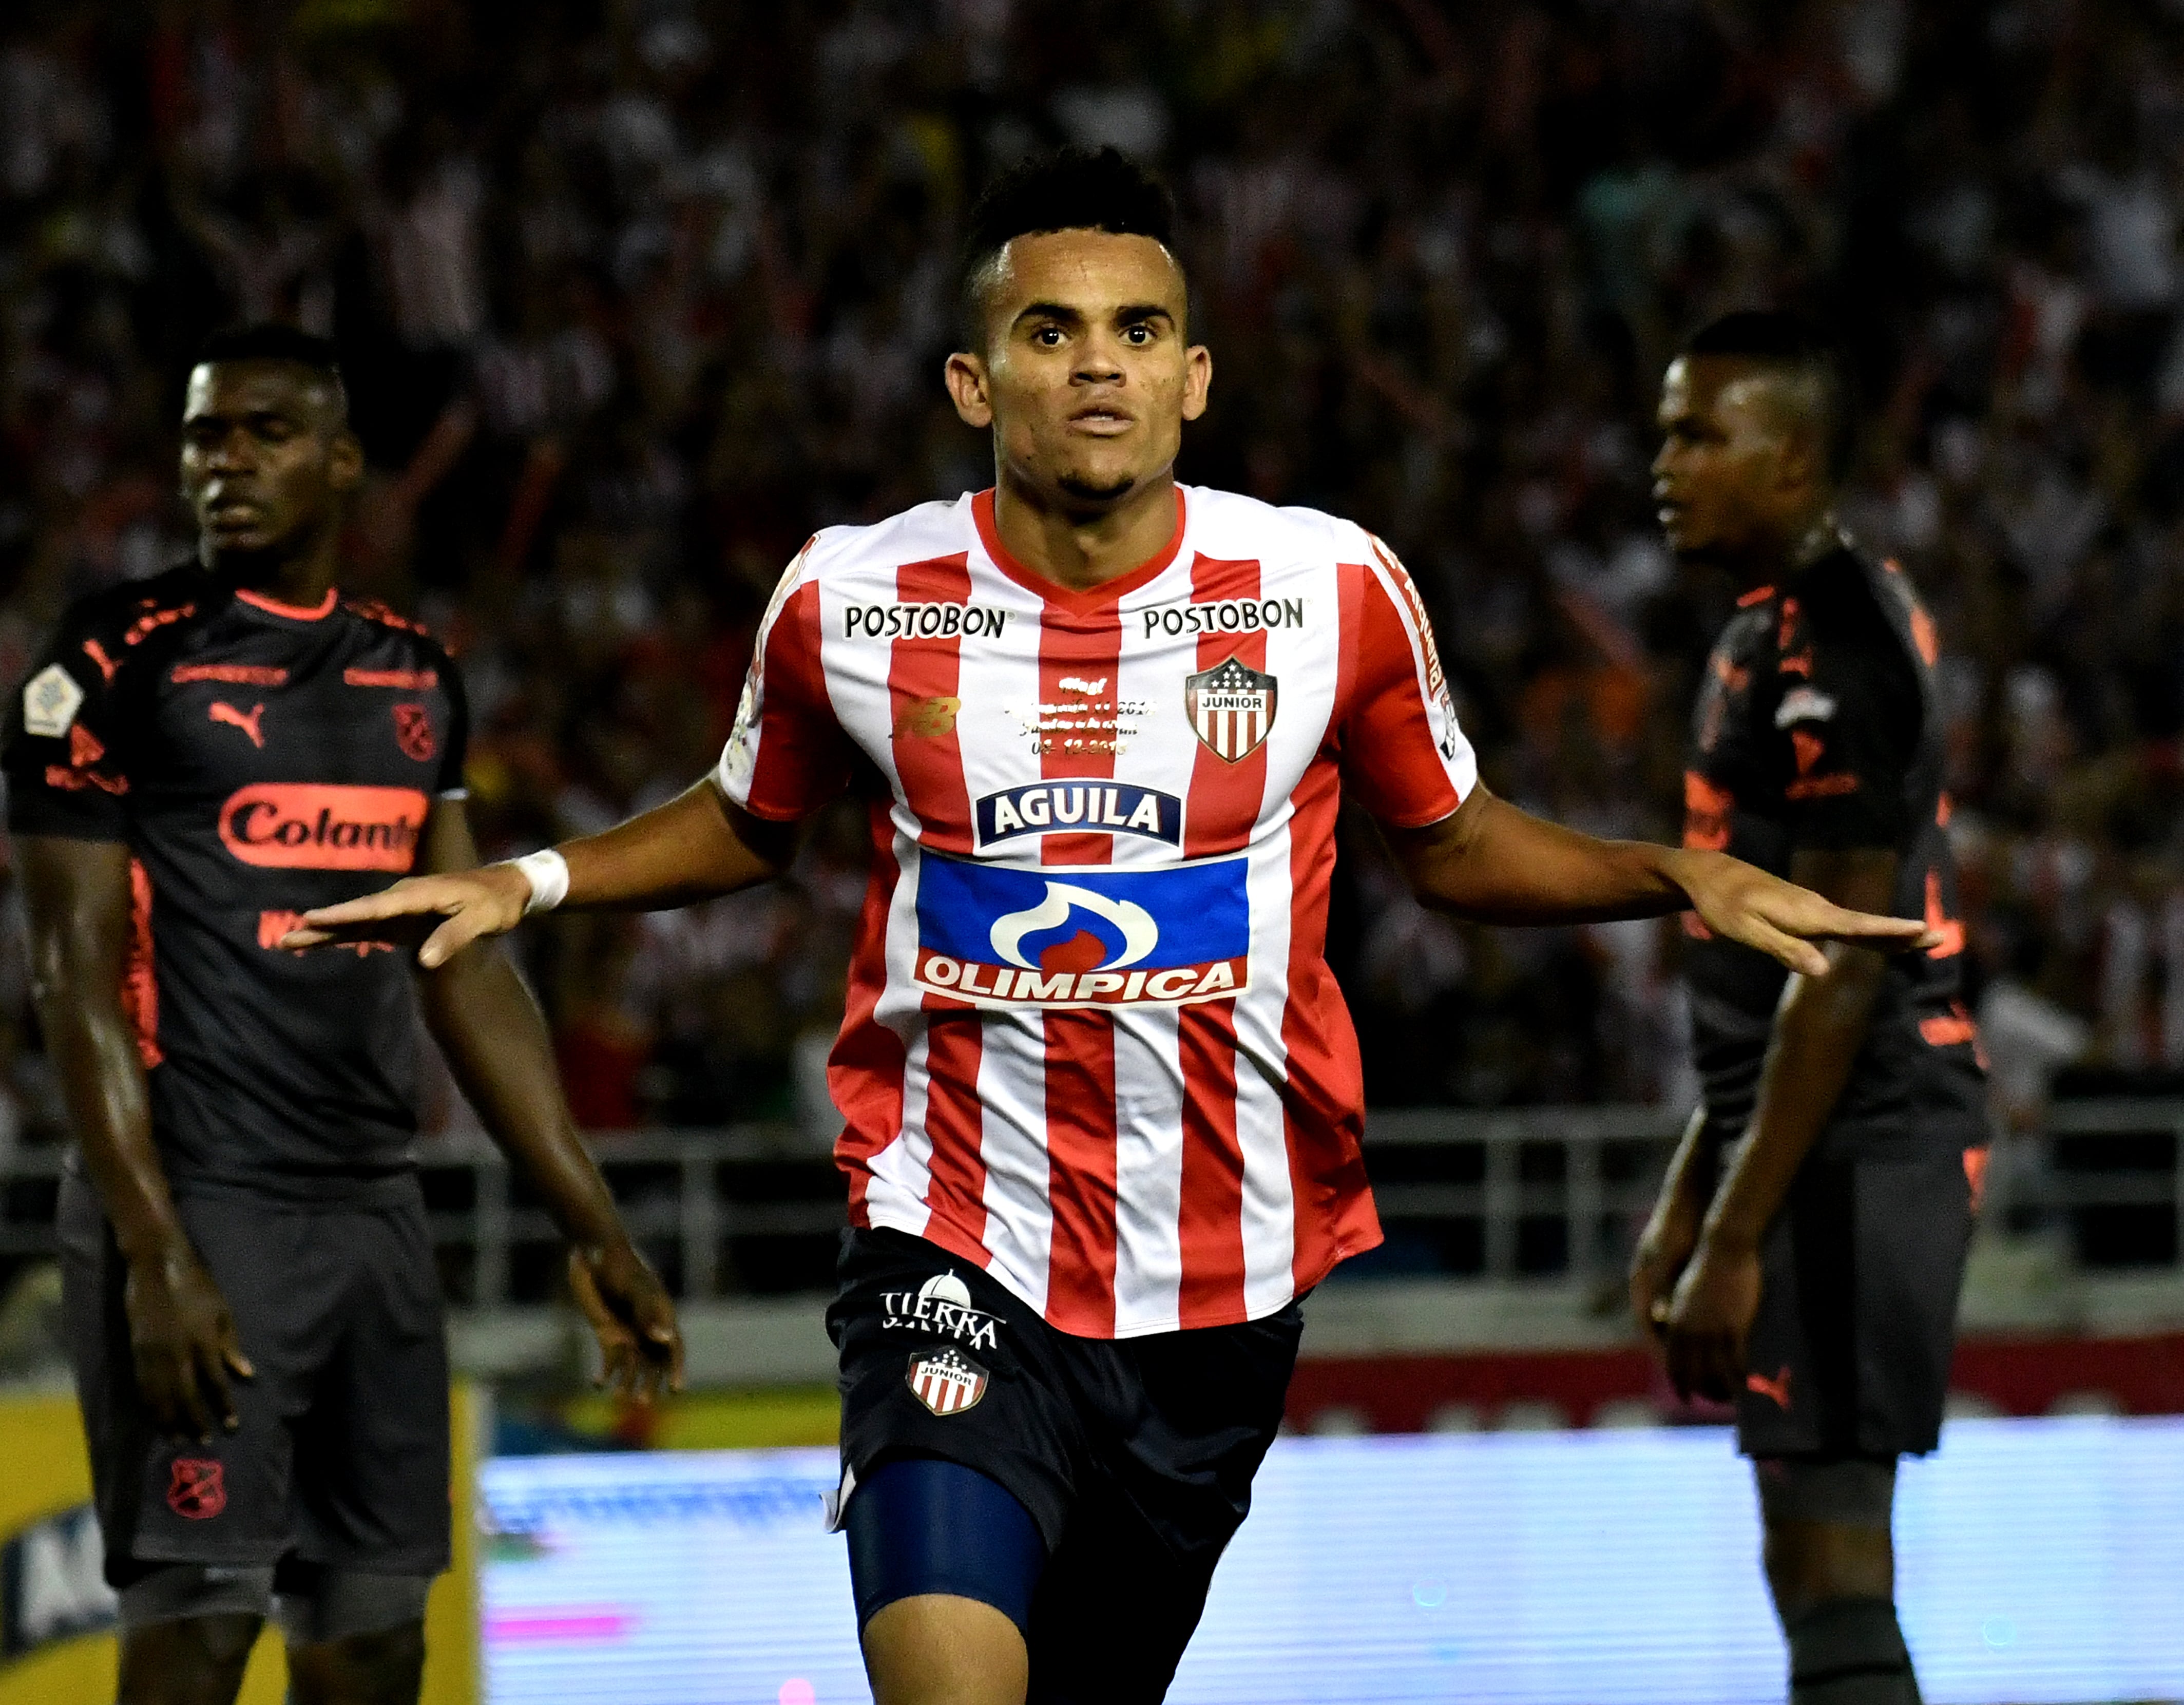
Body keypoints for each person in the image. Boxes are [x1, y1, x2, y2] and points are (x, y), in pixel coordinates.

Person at [294, 151, 1928, 1705]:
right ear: (972, 379)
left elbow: (1455, 843)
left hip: (1224, 1279)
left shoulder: (1325, 589)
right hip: (955, 1237)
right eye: (1048, 329)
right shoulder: (853, 597)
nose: (1098, 367)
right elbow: (745, 819)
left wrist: (1672, 871)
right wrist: (534, 879)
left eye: (1138, 332)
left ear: (1195, 376)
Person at [7, 324, 683, 1705]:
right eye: (206, 434)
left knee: (373, 1646)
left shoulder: (413, 676)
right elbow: (68, 974)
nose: (228, 461)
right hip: (201, 1199)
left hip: (374, 1217)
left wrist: (591, 1223)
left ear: (345, 462)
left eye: (265, 431)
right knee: (198, 1629)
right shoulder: (106, 664)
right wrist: (154, 1251)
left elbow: (466, 960)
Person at [1631, 313, 1988, 1705]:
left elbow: (1837, 974)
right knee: (1804, 1544)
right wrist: (1693, 1185)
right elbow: (1768, 970)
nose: (1665, 460)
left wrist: (1730, 1230)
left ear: (1788, 463)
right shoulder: (1764, 635)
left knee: (1836, 1545)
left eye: (1698, 434)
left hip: (1866, 1135)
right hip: (1811, 1138)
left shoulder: (1838, 647)